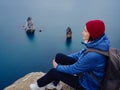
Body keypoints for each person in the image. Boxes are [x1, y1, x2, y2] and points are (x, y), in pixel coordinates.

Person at [30, 20, 110, 90]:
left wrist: (57, 67)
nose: (82, 32)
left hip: (87, 86)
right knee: (59, 56)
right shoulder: (97, 44)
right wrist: (64, 59)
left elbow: (73, 69)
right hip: (87, 74)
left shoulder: (93, 55)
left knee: (53, 72)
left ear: (92, 34)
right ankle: (55, 84)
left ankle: (39, 86)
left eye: (85, 31)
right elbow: (79, 54)